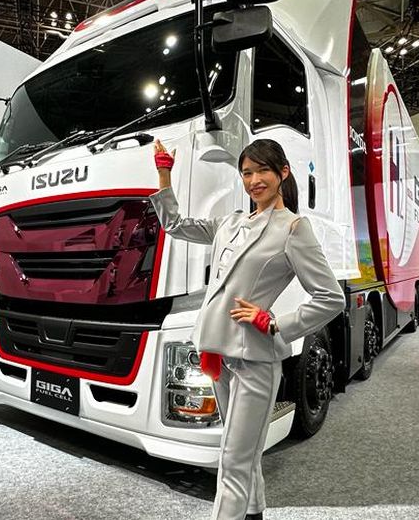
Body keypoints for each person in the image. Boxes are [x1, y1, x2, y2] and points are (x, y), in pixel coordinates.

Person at [148, 138, 345, 520]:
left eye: (262, 171)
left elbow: (330, 297)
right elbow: (174, 225)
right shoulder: (231, 222)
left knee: (233, 458)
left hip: (256, 360)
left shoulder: (293, 228)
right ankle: (254, 513)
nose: (254, 180)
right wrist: (164, 173)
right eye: (247, 172)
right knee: (244, 450)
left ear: (283, 172)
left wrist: (276, 323)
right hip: (219, 352)